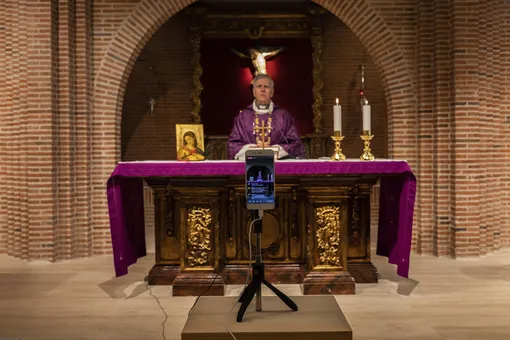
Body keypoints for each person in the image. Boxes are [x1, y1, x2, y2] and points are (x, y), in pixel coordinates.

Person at [227, 74, 306, 160]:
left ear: (272, 92)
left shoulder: (283, 116)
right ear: (254, 92)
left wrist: (273, 150)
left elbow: (295, 143)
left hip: (278, 165)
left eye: (266, 87)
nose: (262, 90)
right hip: (248, 164)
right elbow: (232, 145)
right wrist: (252, 149)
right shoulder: (242, 117)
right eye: (259, 86)